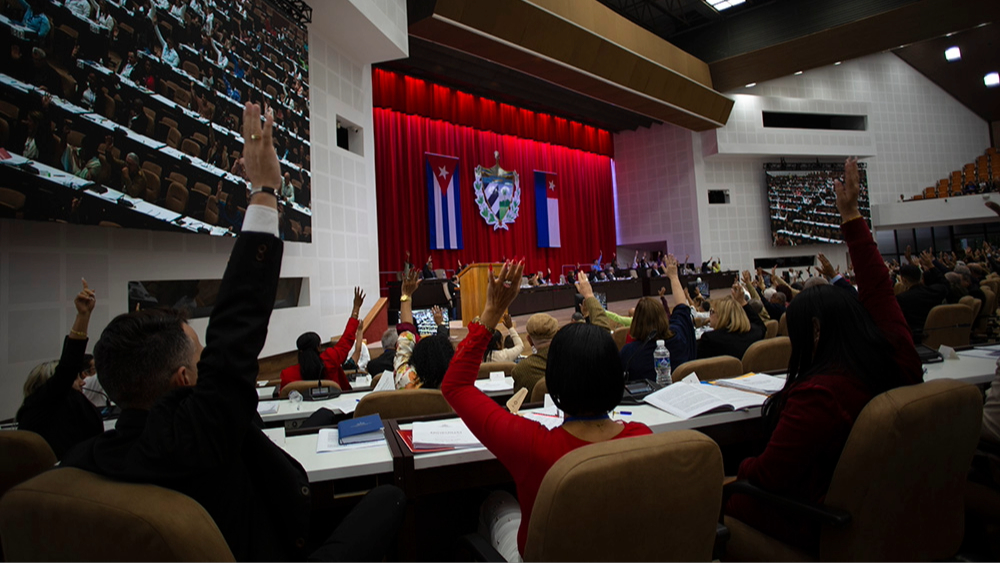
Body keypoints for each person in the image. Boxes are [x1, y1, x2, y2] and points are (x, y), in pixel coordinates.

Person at [62, 102, 406, 562]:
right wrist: (264, 191)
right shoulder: (200, 436)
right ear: (184, 380)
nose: (211, 360)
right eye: (202, 358)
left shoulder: (83, 463)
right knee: (390, 497)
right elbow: (237, 324)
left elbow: (230, 339)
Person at [725, 158, 922, 552]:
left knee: (725, 495)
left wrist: (732, 470)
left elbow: (768, 474)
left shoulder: (820, 396)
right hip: (898, 517)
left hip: (821, 525)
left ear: (814, 332)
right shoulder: (898, 356)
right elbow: (879, 291)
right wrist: (850, 214)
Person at [441, 261, 651, 562]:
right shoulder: (644, 438)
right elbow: (602, 336)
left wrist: (492, 311)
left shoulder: (532, 445)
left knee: (496, 502)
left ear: (553, 384)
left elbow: (456, 386)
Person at [16, 280, 102, 459]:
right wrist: (83, 316)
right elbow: (67, 367)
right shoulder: (47, 404)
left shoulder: (41, 409)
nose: (81, 381)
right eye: (75, 377)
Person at [618, 257, 696, 381]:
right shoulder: (679, 337)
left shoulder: (630, 353)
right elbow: (682, 307)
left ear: (636, 322)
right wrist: (674, 277)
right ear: (663, 318)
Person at [280, 288, 364, 393]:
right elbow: (346, 340)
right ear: (318, 348)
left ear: (300, 351)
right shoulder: (330, 360)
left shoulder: (288, 375)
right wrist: (356, 308)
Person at [393, 269, 454, 389]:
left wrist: (406, 295)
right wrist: (440, 324)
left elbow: (406, 336)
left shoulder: (405, 381)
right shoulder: (456, 386)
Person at [697, 283, 766, 360]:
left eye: (712, 311)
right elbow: (760, 324)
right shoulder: (755, 333)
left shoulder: (710, 339)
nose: (710, 315)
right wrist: (742, 302)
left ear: (722, 317)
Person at [510, 312, 559, 398]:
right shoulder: (574, 361)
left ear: (529, 340)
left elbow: (519, 405)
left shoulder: (521, 370)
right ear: (557, 335)